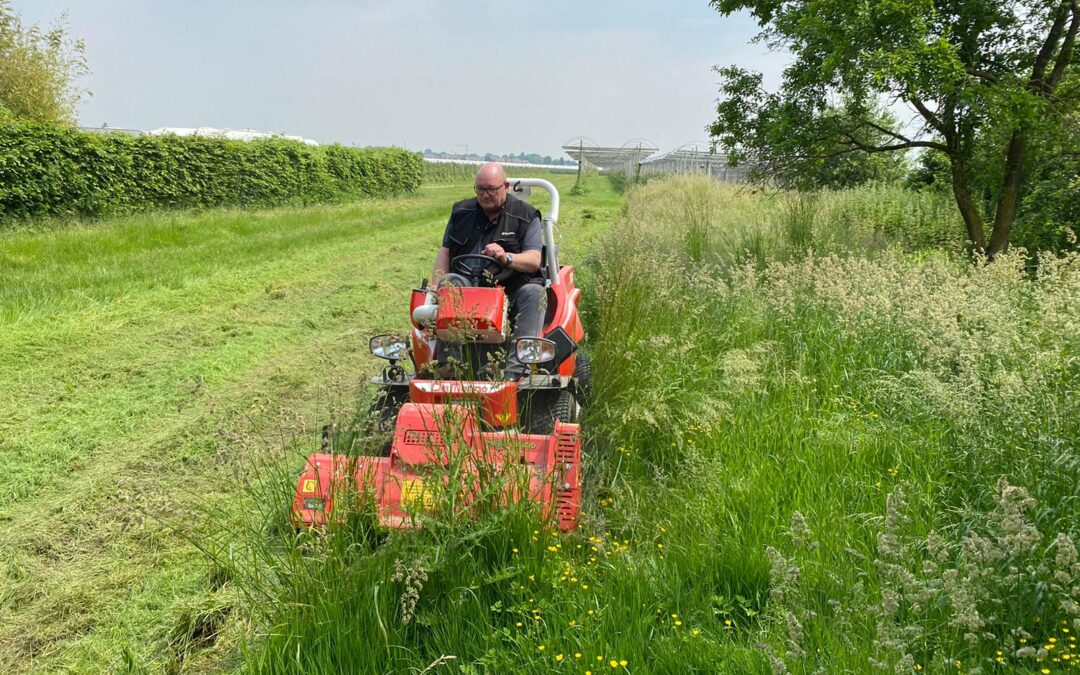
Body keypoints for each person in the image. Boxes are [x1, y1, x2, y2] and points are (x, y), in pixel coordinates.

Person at [431, 162, 545, 378]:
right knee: (449, 281)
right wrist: (436, 283)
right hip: (467, 286)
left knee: (535, 292)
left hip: (509, 287)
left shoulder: (526, 216)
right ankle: (450, 367)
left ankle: (516, 372)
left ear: (506, 186)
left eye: (491, 189)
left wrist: (506, 257)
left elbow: (534, 260)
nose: (485, 195)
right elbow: (445, 251)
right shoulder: (461, 212)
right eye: (480, 189)